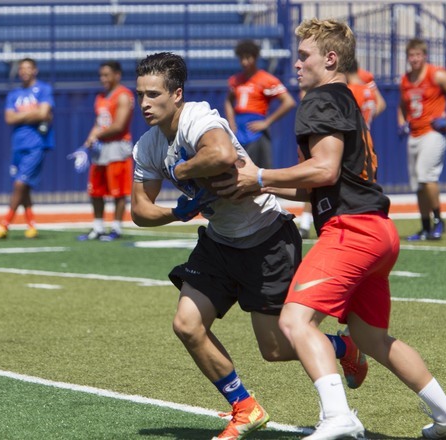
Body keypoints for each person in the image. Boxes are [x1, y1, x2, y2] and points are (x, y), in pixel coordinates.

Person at [215, 18, 446, 440]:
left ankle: (339, 416)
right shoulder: (344, 97)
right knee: (372, 339)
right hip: (377, 229)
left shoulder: (320, 99)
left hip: (351, 229)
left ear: (330, 59)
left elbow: (325, 167)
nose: (296, 64)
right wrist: (261, 185)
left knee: (296, 322)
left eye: (304, 56)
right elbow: (325, 180)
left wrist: (259, 175)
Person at [131, 51, 367, 440]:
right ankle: (245, 407)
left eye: (153, 95)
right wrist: (178, 211)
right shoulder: (148, 145)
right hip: (219, 243)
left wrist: (182, 170)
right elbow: (139, 210)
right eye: (140, 94)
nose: (144, 104)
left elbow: (221, 153)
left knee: (274, 349)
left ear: (177, 94)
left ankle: (344, 348)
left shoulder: (198, 118)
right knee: (187, 325)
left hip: (266, 237)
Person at [298, 60, 385, 239]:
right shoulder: (367, 89)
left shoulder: (347, 91)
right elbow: (381, 105)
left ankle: (306, 222)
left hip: (346, 142)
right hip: (364, 141)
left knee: (317, 177)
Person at [398, 38, 446, 241]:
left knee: (426, 175)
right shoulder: (406, 79)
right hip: (414, 133)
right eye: (411, 55)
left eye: (418, 55)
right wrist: (402, 123)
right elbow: (402, 106)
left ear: (424, 56)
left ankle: (438, 220)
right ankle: (425, 226)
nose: (414, 59)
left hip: (432, 132)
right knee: (417, 183)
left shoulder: (436, 74)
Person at [0, 58, 54, 240]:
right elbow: (9, 118)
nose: (24, 71)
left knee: (19, 184)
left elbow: (44, 113)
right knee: (23, 187)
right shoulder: (14, 94)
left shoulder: (43, 89)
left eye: (28, 68)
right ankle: (31, 225)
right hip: (18, 145)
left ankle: (5, 224)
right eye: (21, 68)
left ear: (35, 70)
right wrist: (33, 114)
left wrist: (22, 115)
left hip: (36, 145)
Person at [77, 61, 135, 242]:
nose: (103, 79)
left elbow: (119, 125)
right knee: (96, 189)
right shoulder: (101, 97)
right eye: (101, 75)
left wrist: (97, 135)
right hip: (101, 148)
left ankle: (116, 227)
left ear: (117, 75)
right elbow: (99, 122)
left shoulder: (123, 95)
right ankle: (98, 227)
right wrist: (89, 138)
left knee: (118, 191)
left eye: (107, 75)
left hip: (117, 147)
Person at [224, 39, 296, 170]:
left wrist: (267, 122)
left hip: (255, 130)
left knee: (259, 172)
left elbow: (289, 102)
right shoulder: (235, 80)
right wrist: (231, 122)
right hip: (239, 131)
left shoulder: (266, 79)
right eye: (242, 58)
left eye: (248, 58)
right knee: (237, 170)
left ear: (255, 58)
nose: (245, 62)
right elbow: (229, 101)